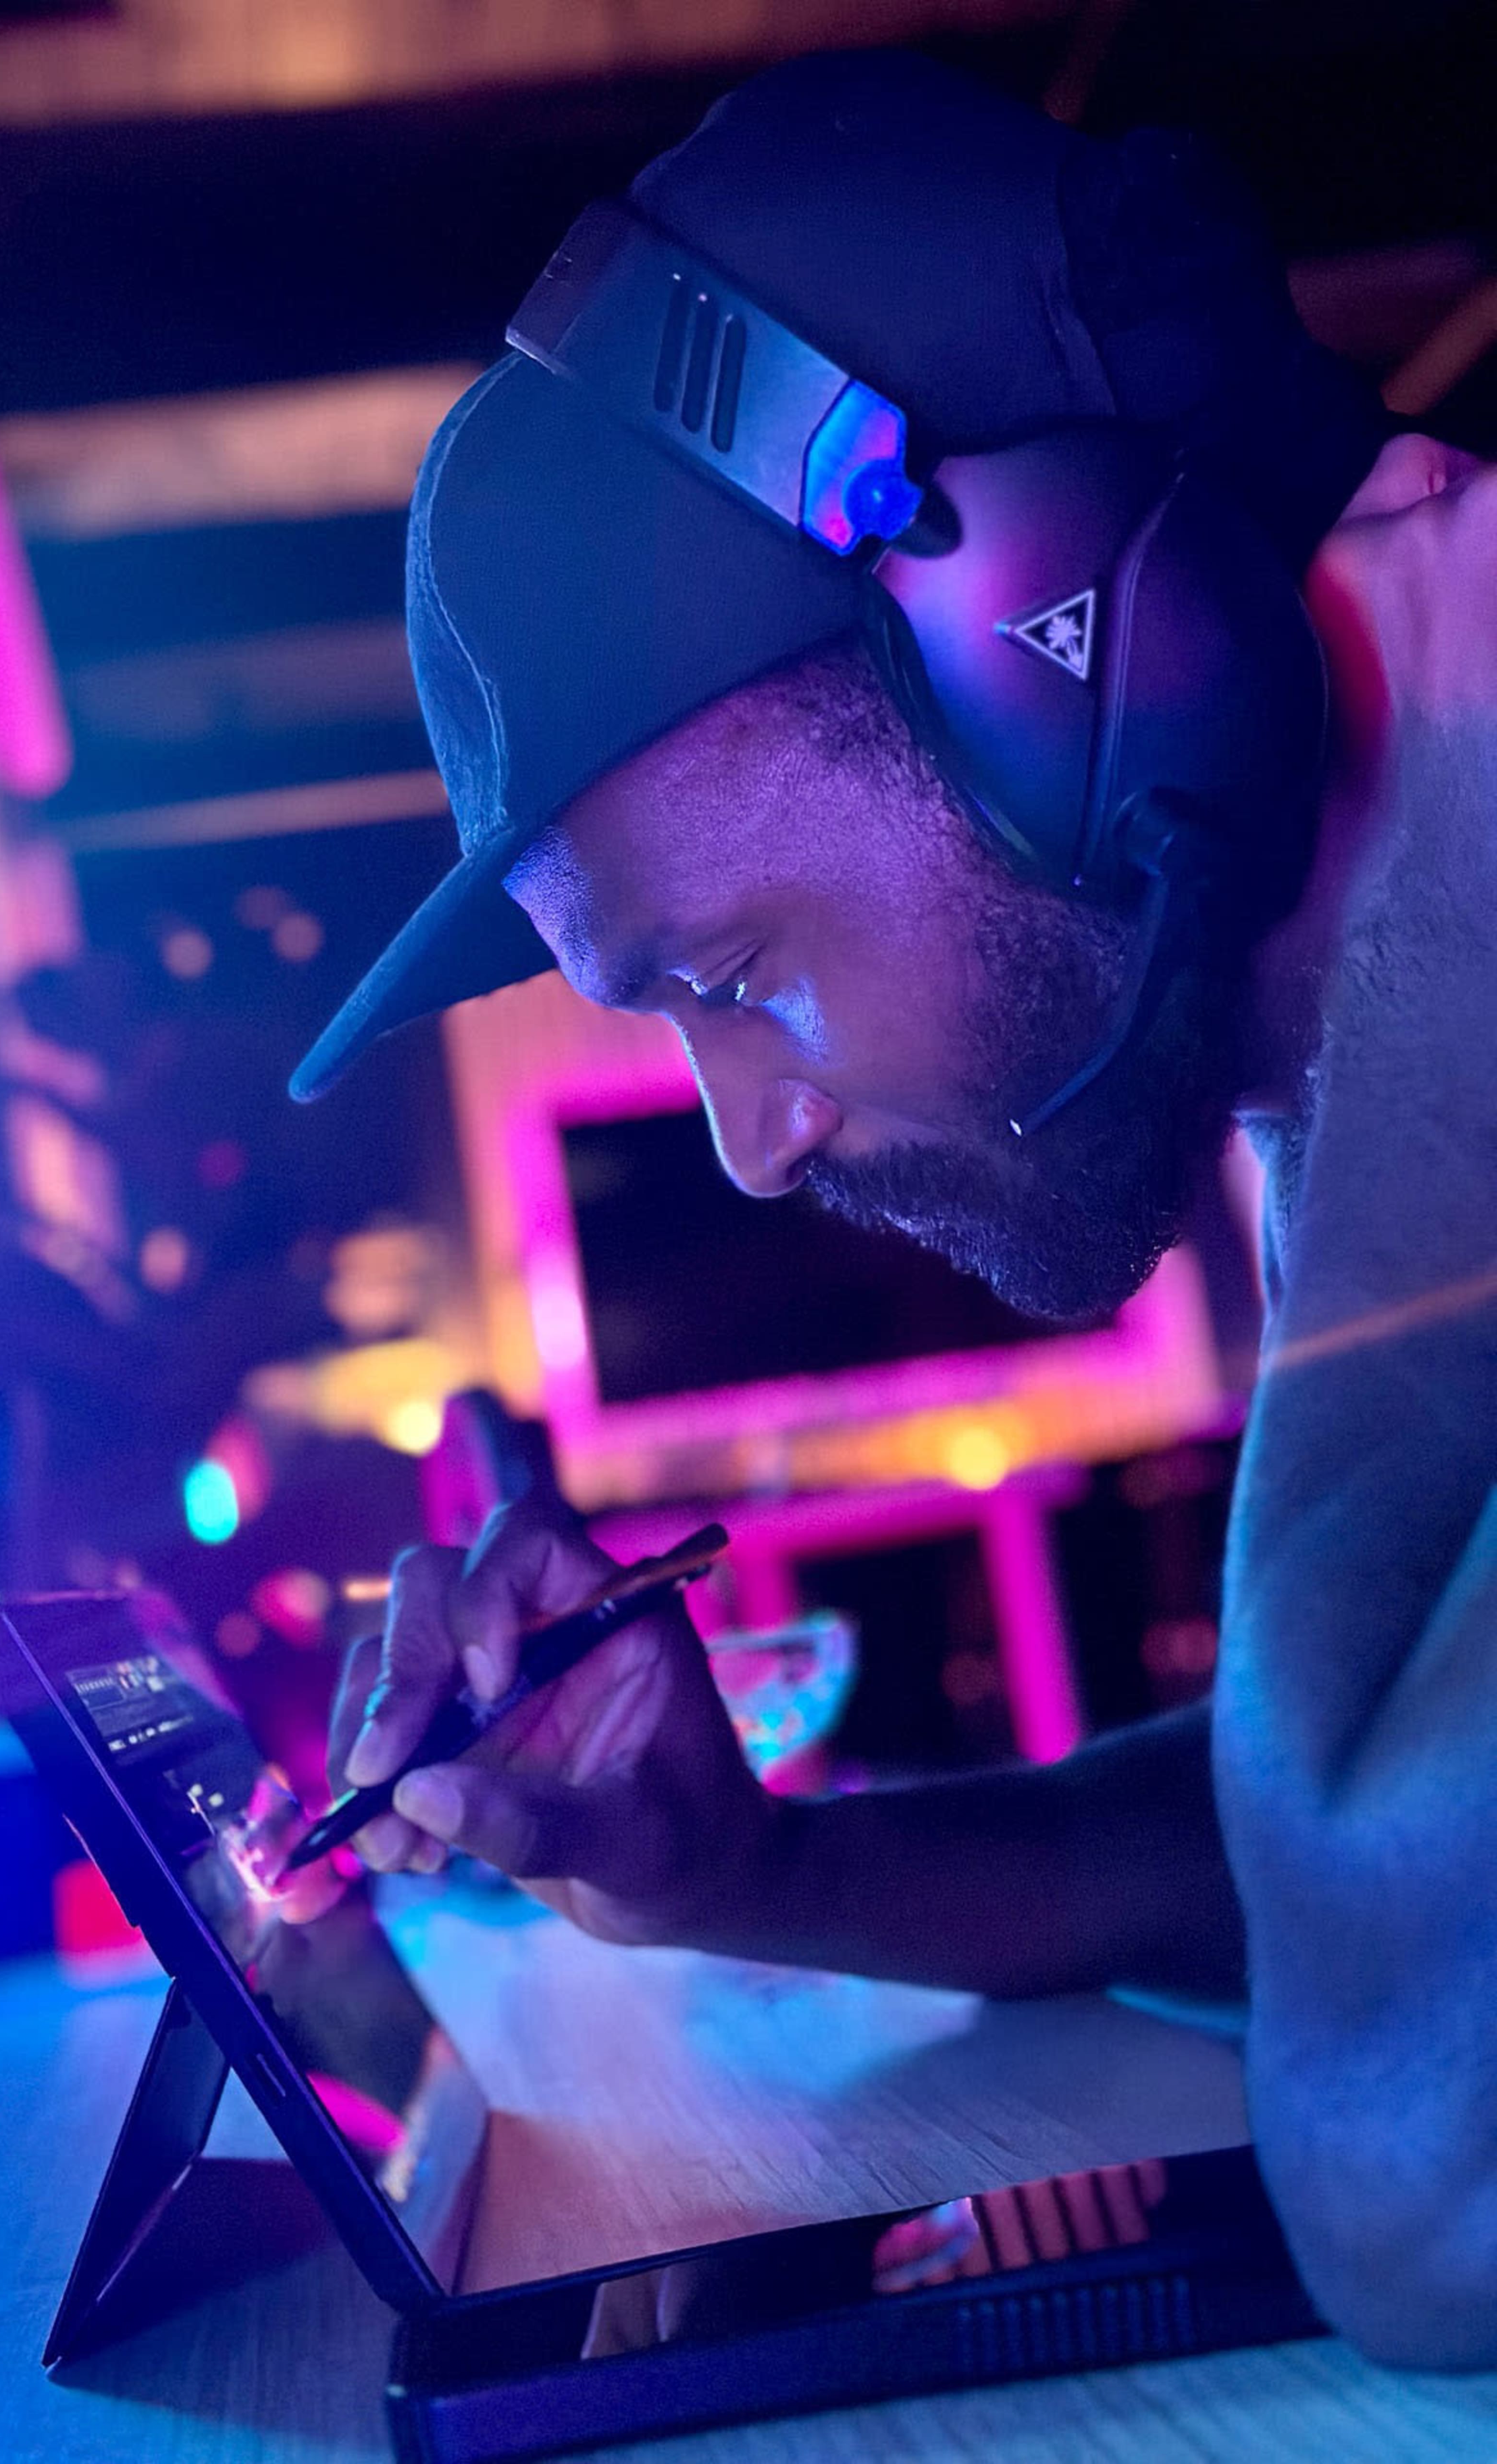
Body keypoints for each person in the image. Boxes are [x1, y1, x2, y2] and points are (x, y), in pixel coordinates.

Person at [287, 51, 1497, 2366]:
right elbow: (1333, 1807)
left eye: (725, 980)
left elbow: (1432, 2153)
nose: (744, 1137)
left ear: (1045, 660)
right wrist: (759, 1868)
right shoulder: (1351, 1029)